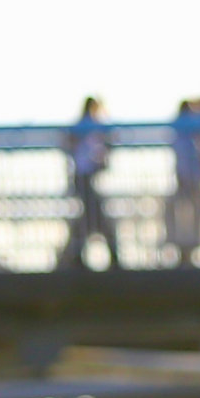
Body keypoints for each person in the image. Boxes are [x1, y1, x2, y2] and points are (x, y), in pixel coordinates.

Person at [60, 95, 120, 270]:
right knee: (96, 216)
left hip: (84, 176)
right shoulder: (89, 125)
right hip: (84, 176)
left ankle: (74, 255)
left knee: (89, 218)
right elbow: (109, 139)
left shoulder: (82, 125)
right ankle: (110, 254)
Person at [165, 95, 200, 267]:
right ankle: (187, 249)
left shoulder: (181, 128)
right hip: (189, 177)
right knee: (191, 214)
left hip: (187, 177)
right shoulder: (190, 128)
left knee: (188, 214)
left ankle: (186, 249)